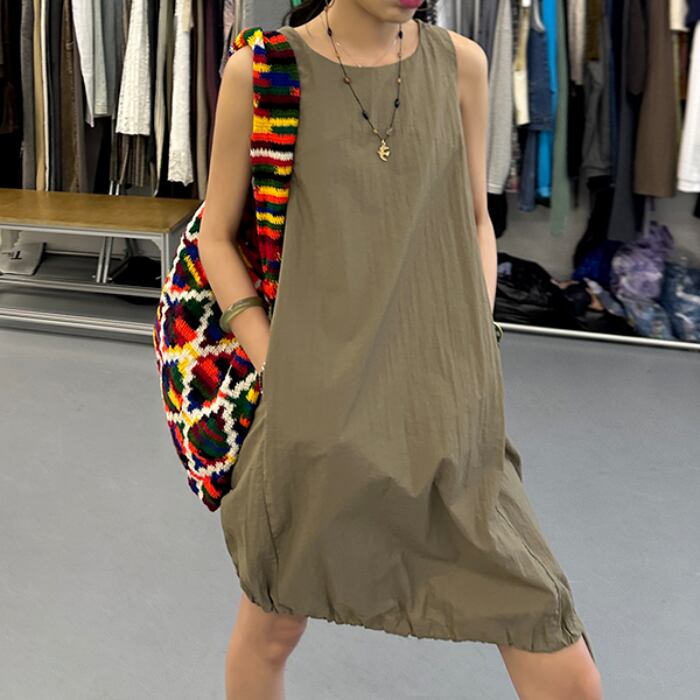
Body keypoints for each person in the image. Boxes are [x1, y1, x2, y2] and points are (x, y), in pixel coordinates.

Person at [198, 1, 603, 698]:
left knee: (544, 624)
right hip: (316, 418)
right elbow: (215, 234)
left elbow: (475, 219)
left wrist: (472, 342)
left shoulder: (462, 65)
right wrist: (274, 362)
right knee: (272, 627)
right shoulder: (265, 73)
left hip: (445, 407)